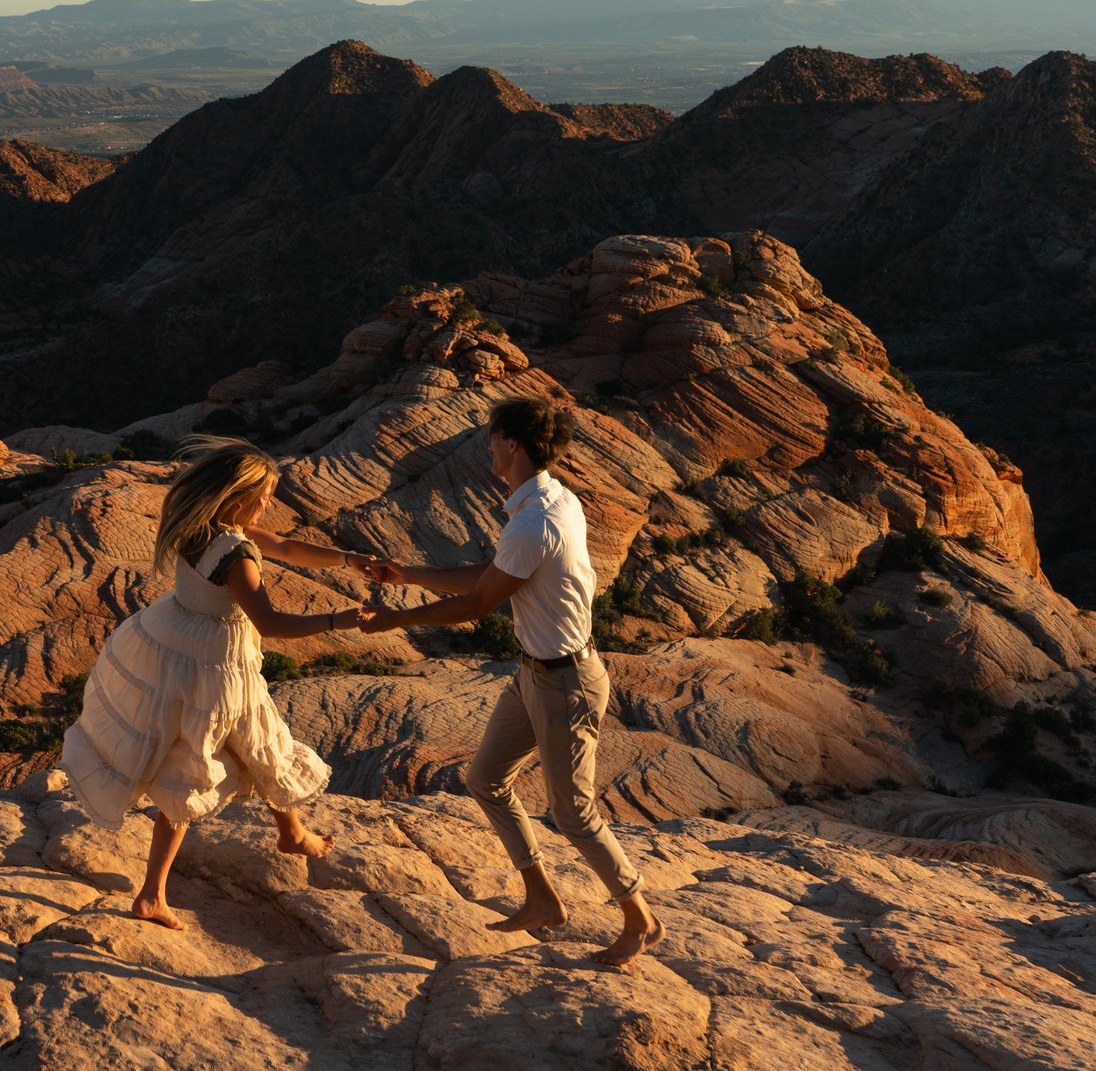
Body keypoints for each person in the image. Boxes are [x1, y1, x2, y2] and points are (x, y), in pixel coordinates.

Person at [360, 396, 662, 967]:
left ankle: (640, 919)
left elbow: (478, 604)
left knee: (573, 813)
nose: (489, 447)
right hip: (534, 673)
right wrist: (408, 574)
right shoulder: (552, 500)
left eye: (493, 437)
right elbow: (495, 576)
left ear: (513, 443)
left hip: (566, 683)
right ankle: (542, 899)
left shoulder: (534, 521)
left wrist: (397, 618)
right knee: (486, 779)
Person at [61, 435, 375, 930]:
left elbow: (285, 546)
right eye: (262, 497)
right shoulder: (236, 555)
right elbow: (270, 623)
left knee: (258, 743)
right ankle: (152, 895)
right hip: (216, 666)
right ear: (236, 495)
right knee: (202, 766)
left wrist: (347, 558)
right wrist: (341, 620)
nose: (267, 505)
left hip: (180, 646)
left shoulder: (201, 525)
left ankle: (291, 834)